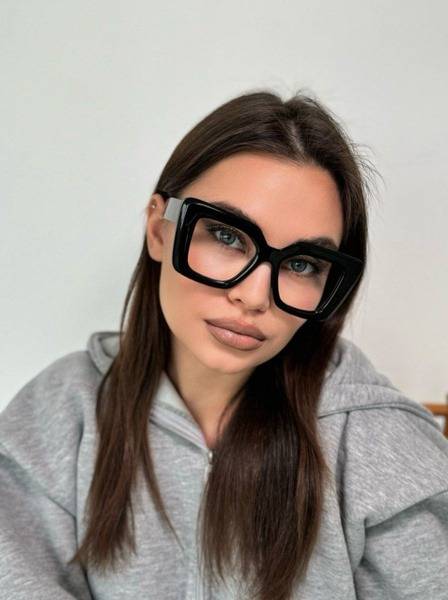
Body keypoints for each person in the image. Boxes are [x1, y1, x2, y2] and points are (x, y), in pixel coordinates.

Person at [1, 89, 447, 600]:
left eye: (302, 264)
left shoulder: (378, 439)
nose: (254, 297)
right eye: (228, 236)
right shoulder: (59, 413)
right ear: (159, 230)